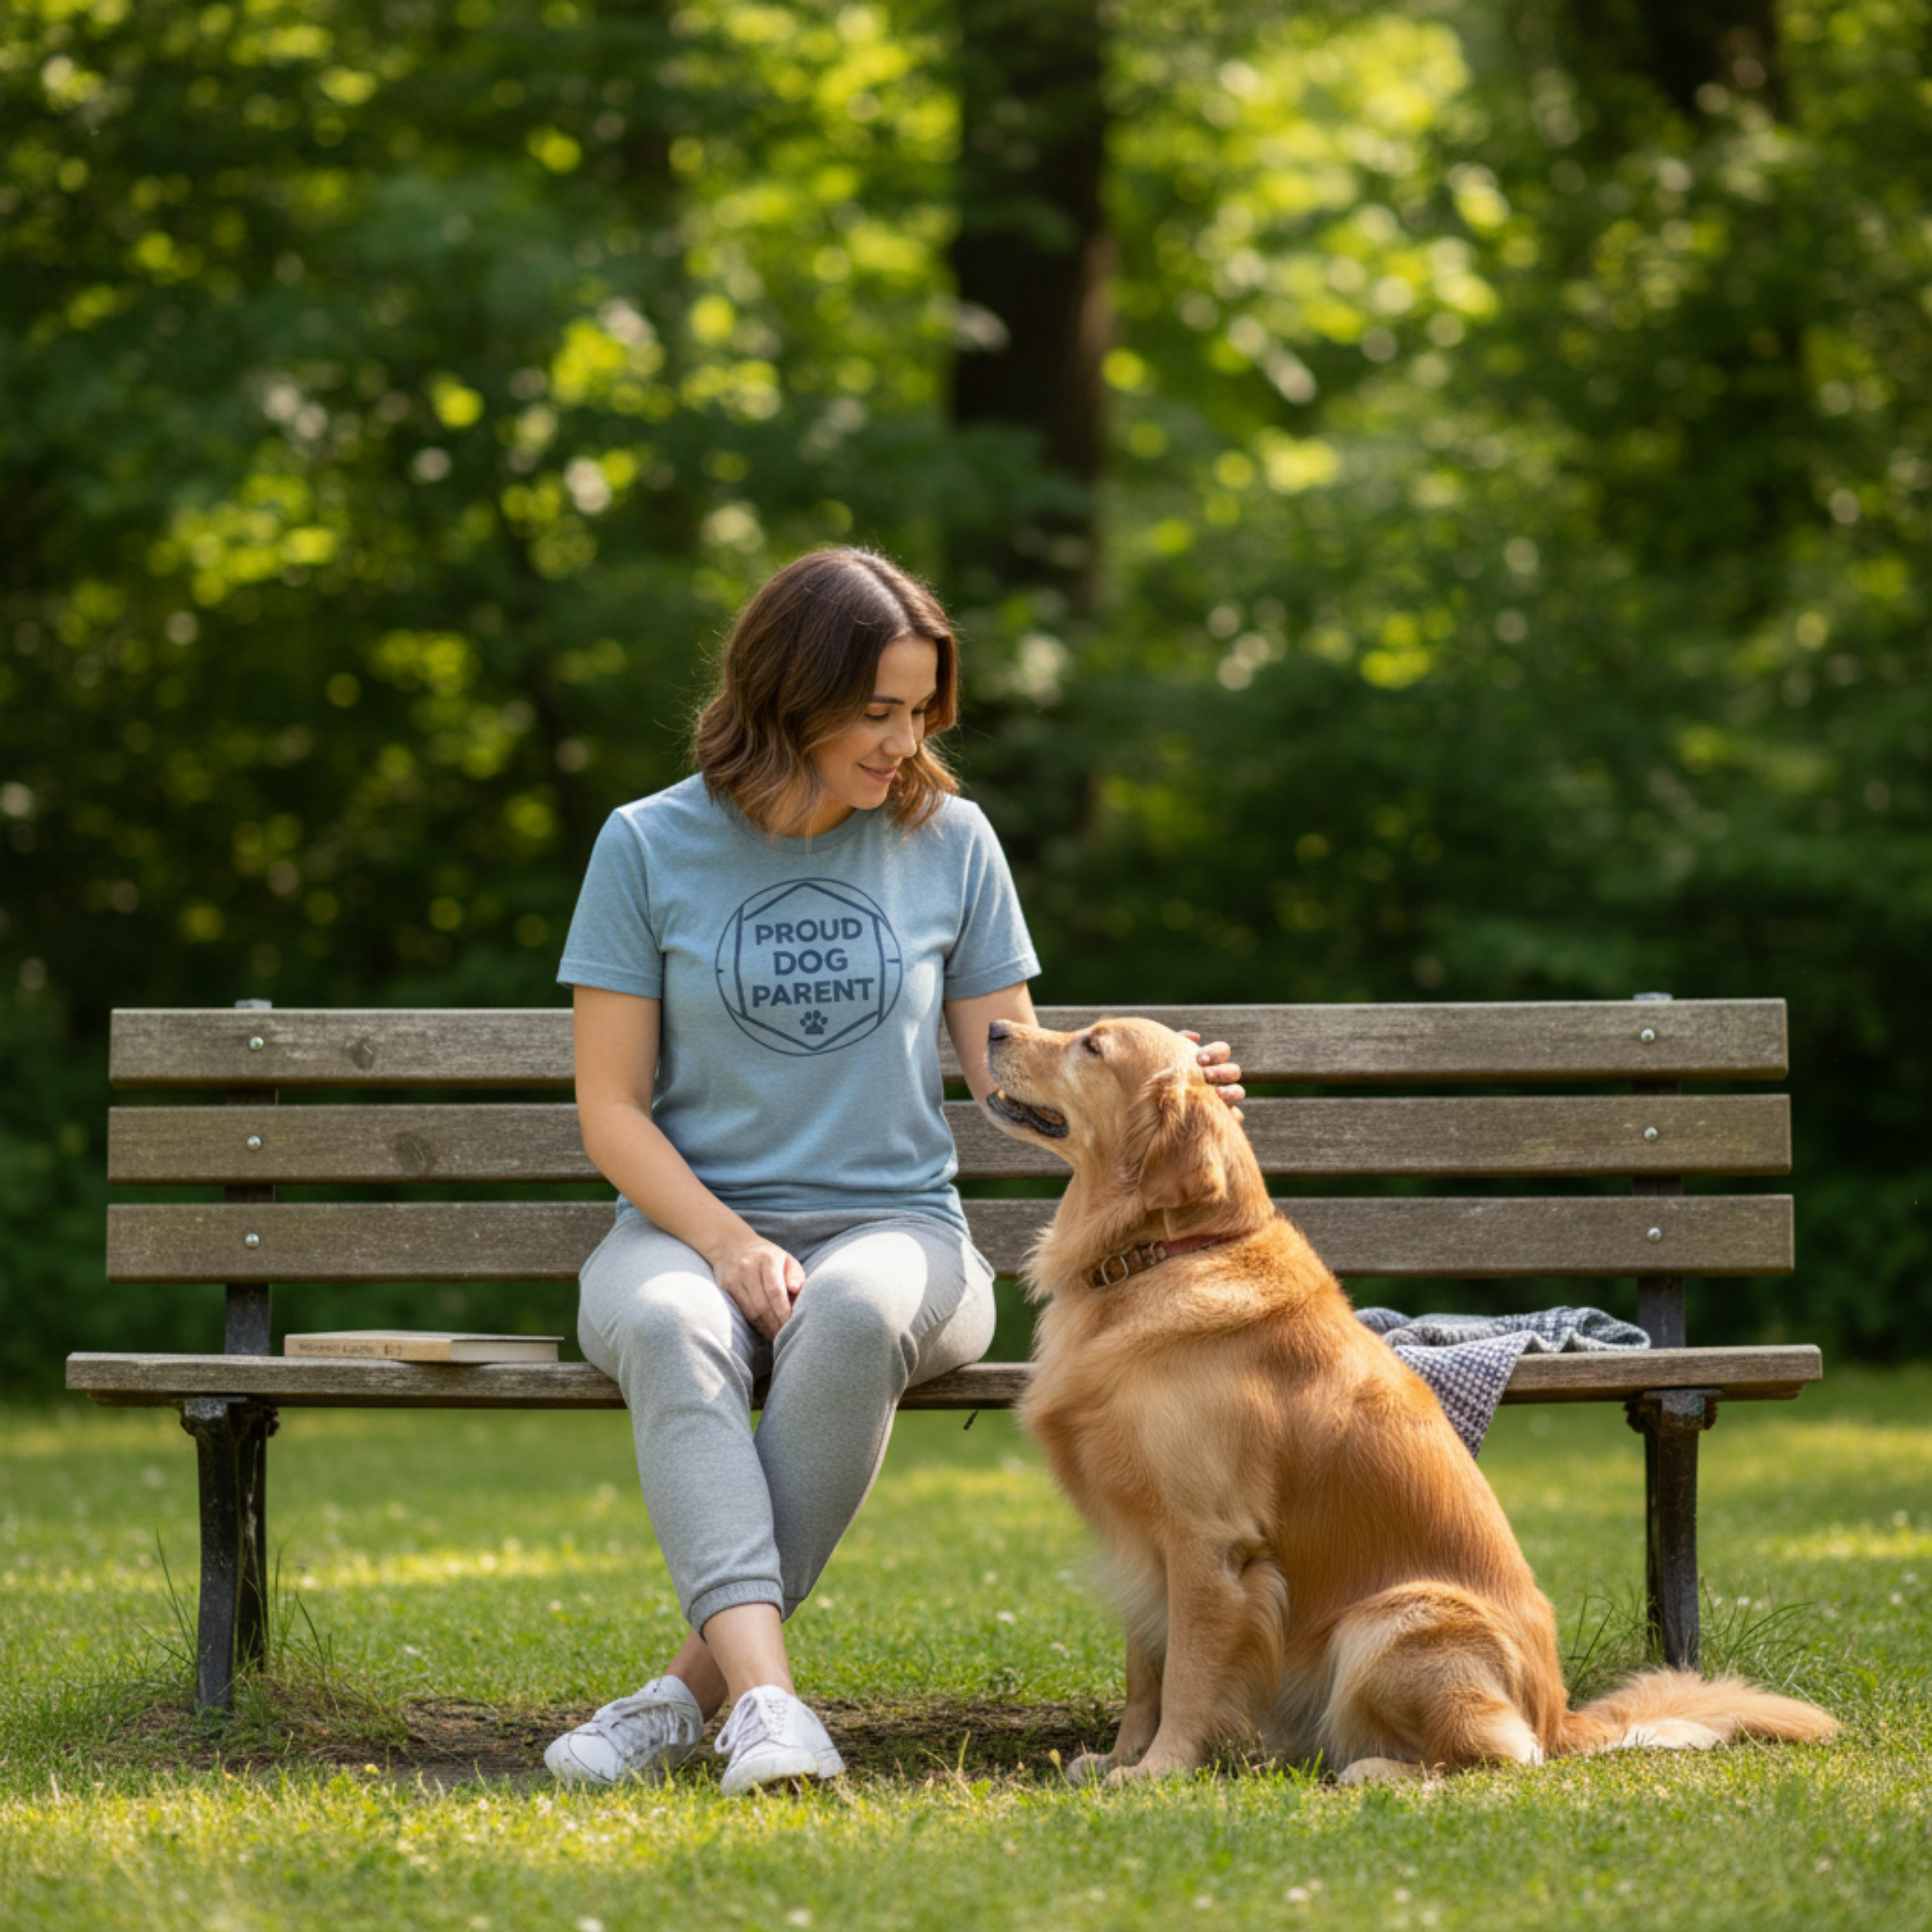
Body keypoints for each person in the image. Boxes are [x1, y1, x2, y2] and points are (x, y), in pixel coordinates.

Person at [544, 547, 1244, 1793]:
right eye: (876, 712)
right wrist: (720, 1241)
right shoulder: (645, 846)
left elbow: (1006, 1070)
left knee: (855, 1308)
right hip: (680, 1231)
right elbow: (610, 1110)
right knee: (664, 1325)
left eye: (920, 710)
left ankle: (681, 1702)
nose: (902, 741)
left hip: (899, 1229)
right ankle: (765, 1702)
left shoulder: (950, 841)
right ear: (785, 696)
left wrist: (1160, 1087)